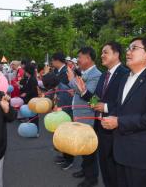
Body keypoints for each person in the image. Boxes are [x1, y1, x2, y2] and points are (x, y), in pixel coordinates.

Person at [102, 38, 146, 187]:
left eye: (134, 48)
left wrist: (118, 121)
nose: (128, 52)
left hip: (141, 157)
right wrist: (110, 116)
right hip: (120, 152)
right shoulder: (125, 78)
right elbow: (120, 107)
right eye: (128, 48)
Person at [76, 42, 128, 187]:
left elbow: (127, 103)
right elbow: (97, 100)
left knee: (115, 169)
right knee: (105, 167)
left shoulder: (125, 74)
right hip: (100, 127)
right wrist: (85, 92)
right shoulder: (104, 74)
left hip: (115, 130)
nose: (102, 55)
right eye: (102, 52)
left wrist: (105, 107)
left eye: (106, 52)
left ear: (116, 54)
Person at [68, 47, 101, 187]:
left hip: (88, 117)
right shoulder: (84, 72)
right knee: (83, 146)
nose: (78, 60)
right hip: (80, 115)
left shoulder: (96, 74)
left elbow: (90, 95)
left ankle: (91, 178)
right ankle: (84, 170)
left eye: (80, 57)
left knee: (89, 149)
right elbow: (80, 91)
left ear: (88, 58)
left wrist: (71, 80)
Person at [50, 52, 74, 170]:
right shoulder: (57, 71)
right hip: (60, 105)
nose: (52, 63)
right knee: (61, 134)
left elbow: (67, 90)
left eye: (52, 61)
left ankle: (69, 159)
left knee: (67, 134)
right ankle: (64, 155)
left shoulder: (66, 72)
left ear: (57, 60)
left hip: (66, 107)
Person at [20, 64, 39, 130]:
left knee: (34, 115)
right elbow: (27, 88)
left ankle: (36, 129)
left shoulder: (33, 79)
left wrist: (26, 93)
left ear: (29, 71)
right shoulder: (29, 78)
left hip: (33, 99)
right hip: (30, 99)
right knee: (31, 114)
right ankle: (32, 128)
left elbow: (33, 90)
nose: (25, 73)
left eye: (25, 71)